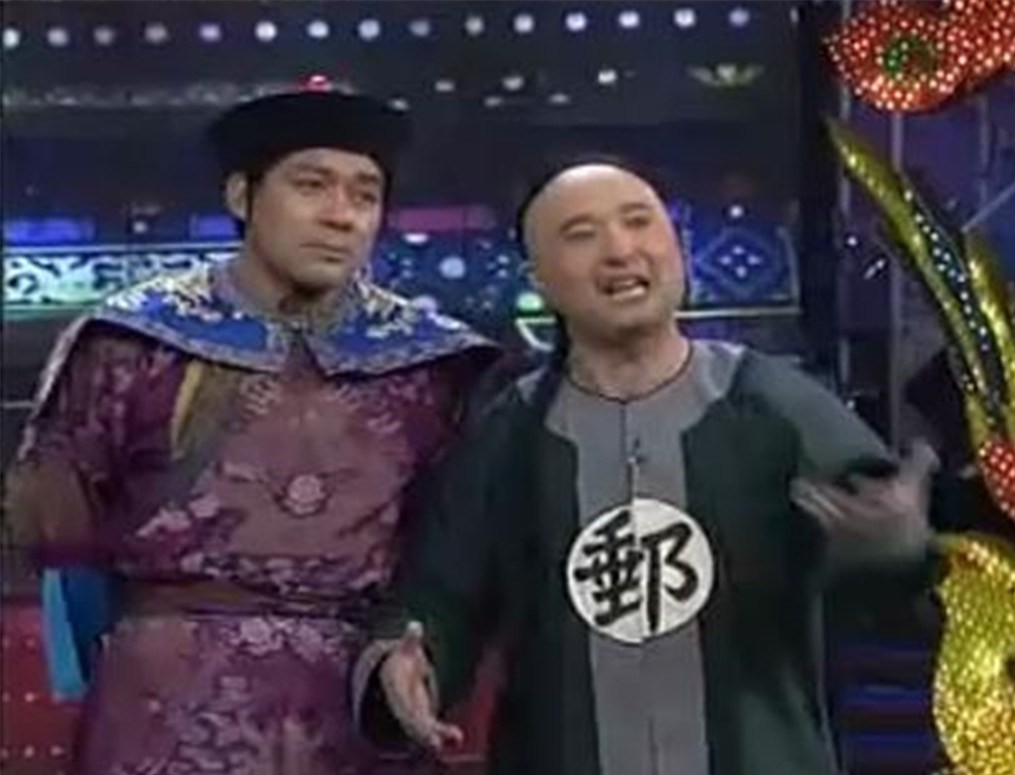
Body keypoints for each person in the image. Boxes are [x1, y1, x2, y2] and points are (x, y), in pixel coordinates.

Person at [353, 156, 939, 775]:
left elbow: (902, 590)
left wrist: (898, 551)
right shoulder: (510, 432)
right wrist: (408, 664)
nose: (619, 250)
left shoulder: (775, 405)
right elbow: (440, 597)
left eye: (638, 222)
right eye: (582, 235)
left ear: (676, 248)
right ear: (540, 280)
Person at [3, 83, 497, 774]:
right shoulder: (130, 342)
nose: (341, 215)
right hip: (164, 703)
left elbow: (456, 554)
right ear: (242, 196)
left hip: (362, 706)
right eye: (311, 186)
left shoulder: (437, 362)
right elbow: (62, 543)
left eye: (365, 194)